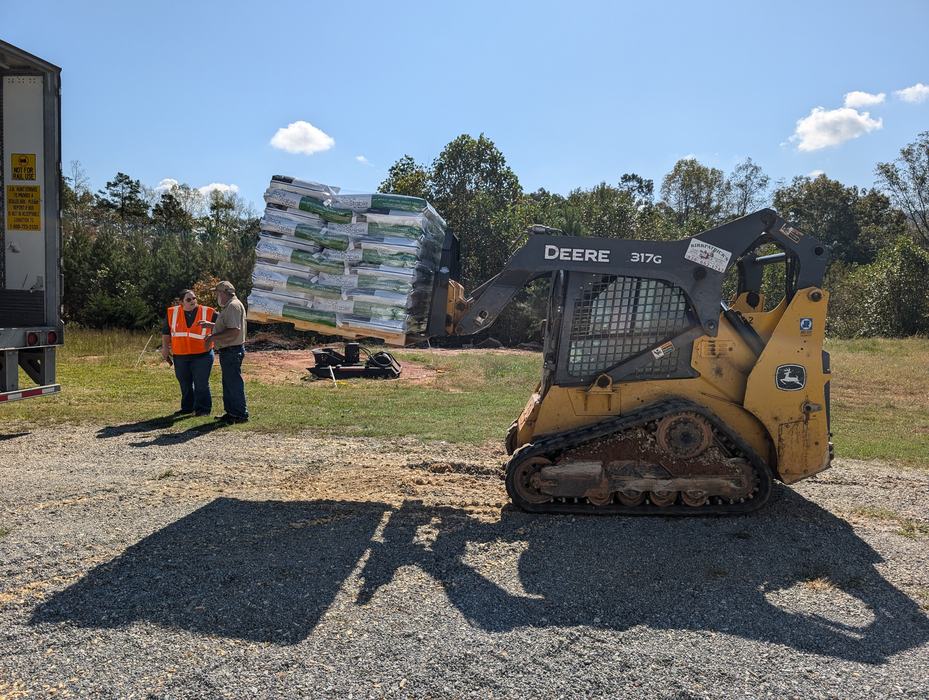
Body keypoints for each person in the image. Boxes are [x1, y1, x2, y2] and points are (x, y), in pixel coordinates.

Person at [161, 289, 217, 416]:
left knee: (201, 384)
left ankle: (203, 410)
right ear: (181, 302)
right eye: (189, 299)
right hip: (180, 356)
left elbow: (222, 325)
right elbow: (166, 332)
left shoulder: (208, 311)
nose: (193, 301)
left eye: (194, 298)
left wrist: (213, 335)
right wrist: (165, 348)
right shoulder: (172, 312)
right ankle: (187, 408)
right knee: (185, 384)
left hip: (203, 355)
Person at [200, 280, 249, 423]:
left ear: (224, 293)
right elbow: (228, 325)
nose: (217, 296)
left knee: (233, 383)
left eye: (218, 293)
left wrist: (212, 337)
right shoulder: (231, 305)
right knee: (229, 383)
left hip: (232, 350)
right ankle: (232, 413)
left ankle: (239, 414)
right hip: (230, 350)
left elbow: (234, 331)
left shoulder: (233, 306)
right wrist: (211, 325)